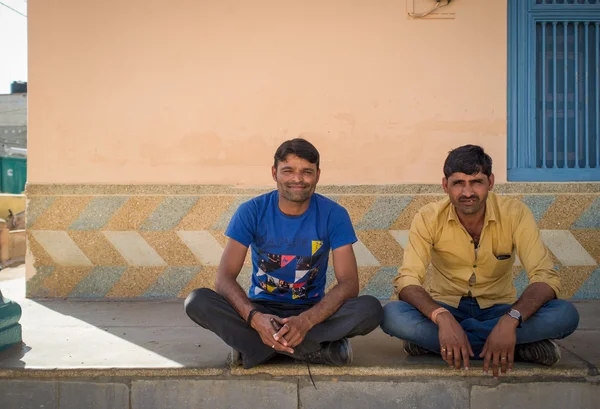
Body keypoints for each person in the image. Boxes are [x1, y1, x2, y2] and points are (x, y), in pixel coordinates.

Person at [381, 145, 579, 378]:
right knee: (391, 315)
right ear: (445, 185)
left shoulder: (515, 213)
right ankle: (514, 347)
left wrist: (510, 321)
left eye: (476, 182)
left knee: (565, 314)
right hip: (447, 309)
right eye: (458, 183)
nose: (467, 192)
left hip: (500, 310)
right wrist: (441, 317)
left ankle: (438, 345)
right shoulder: (428, 217)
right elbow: (407, 280)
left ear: (491, 181)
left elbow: (545, 276)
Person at [185, 138, 383, 369]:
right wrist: (255, 319)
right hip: (261, 308)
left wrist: (306, 321)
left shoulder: (334, 214)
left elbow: (349, 284)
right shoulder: (251, 211)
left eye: (306, 172)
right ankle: (314, 350)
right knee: (197, 301)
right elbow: (224, 278)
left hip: (312, 311)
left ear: (318, 175)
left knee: (370, 310)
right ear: (274, 173)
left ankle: (255, 348)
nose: (297, 179)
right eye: (288, 171)